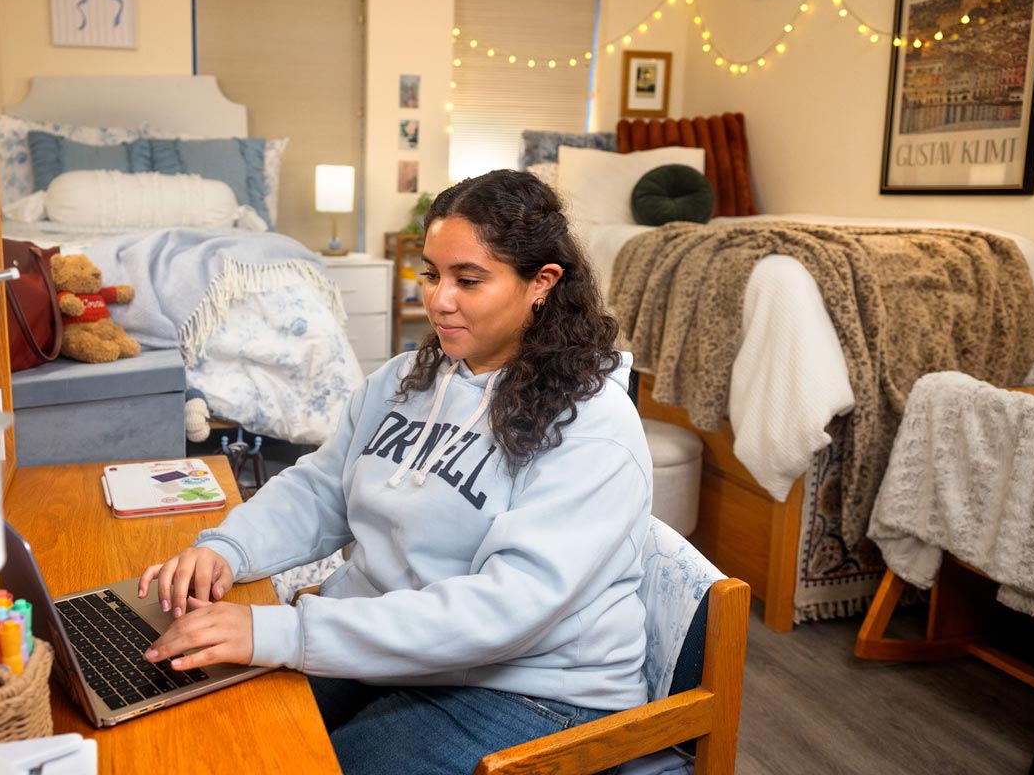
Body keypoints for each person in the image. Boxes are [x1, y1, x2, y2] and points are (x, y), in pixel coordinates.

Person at [138, 169, 654, 775]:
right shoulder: (405, 380)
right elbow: (323, 489)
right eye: (432, 273)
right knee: (211, 735)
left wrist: (283, 632)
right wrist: (227, 549)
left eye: (469, 280)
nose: (438, 299)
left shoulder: (593, 423)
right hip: (399, 645)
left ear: (541, 283)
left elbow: (503, 611)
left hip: (531, 687)